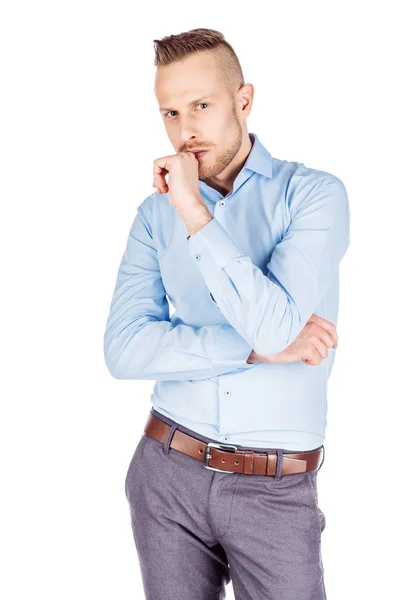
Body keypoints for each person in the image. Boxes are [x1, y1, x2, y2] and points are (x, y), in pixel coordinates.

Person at [103, 27, 350, 600]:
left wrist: (191, 208)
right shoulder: (151, 214)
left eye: (202, 106)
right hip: (166, 471)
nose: (184, 130)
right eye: (169, 112)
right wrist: (248, 350)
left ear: (244, 101)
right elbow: (123, 350)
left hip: (275, 490)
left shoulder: (314, 195)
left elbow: (273, 325)